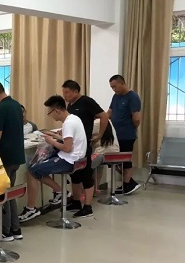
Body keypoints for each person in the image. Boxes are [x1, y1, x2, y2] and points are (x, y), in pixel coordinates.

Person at [19, 96, 87, 223]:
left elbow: (67, 148)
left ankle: (31, 208)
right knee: (37, 167)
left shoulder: (68, 123)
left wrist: (51, 141)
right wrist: (55, 136)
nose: (50, 116)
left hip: (69, 160)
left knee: (32, 171)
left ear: (56, 110)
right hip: (78, 158)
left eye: (50, 113)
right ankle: (60, 192)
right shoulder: (74, 118)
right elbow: (69, 141)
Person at [61, 80, 109, 218]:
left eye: (67, 92)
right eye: (63, 92)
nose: (65, 95)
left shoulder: (87, 101)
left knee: (86, 174)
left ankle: (88, 207)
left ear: (76, 91)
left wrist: (100, 135)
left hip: (84, 144)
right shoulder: (70, 105)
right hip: (74, 146)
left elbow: (104, 115)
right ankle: (76, 202)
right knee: (75, 175)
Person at [0, 80, 25, 241]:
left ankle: (5, 231)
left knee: (2, 195)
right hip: (16, 157)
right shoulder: (16, 105)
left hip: (5, 158)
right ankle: (15, 229)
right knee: (10, 194)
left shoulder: (1, 109)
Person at [108, 75, 142, 195]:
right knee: (116, 162)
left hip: (127, 135)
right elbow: (110, 112)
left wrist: (130, 128)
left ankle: (127, 184)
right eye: (111, 87)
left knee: (125, 160)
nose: (113, 89)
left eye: (115, 86)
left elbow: (136, 118)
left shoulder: (133, 97)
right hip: (115, 135)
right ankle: (130, 182)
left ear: (122, 83)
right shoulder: (115, 97)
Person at [91, 119, 119, 190]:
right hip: (115, 152)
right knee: (99, 166)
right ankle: (96, 188)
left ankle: (87, 191)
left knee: (85, 167)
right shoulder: (109, 121)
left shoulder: (95, 123)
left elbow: (85, 134)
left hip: (101, 153)